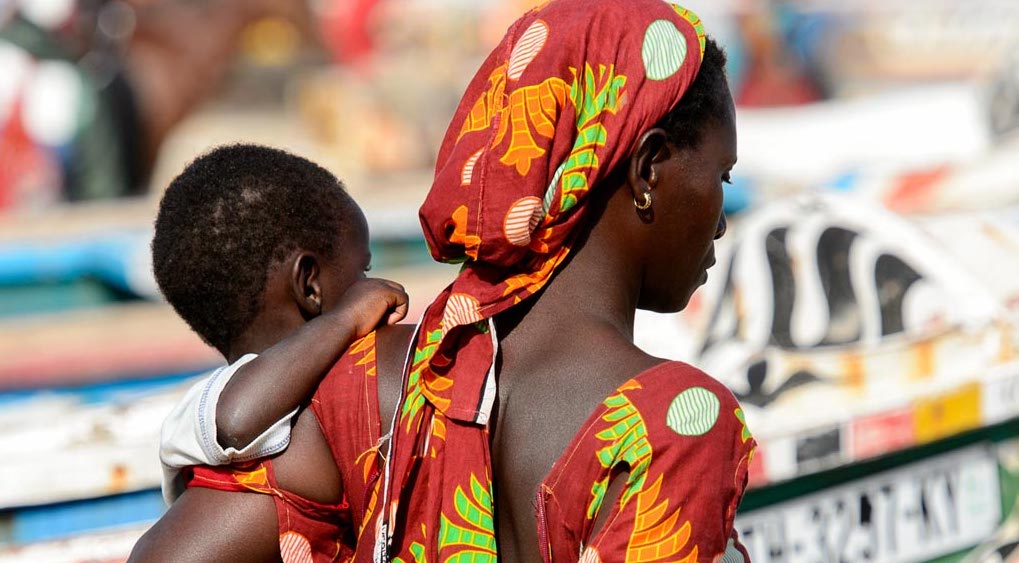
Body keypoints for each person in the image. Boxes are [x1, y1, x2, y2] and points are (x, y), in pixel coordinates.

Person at [131, 1, 755, 561]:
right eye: (721, 177)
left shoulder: (364, 384)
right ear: (646, 169)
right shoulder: (672, 426)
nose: (722, 221)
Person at [148, 143, 408, 504]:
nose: (367, 286)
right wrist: (346, 319)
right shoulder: (207, 406)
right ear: (310, 286)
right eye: (363, 270)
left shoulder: (311, 394)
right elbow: (235, 420)